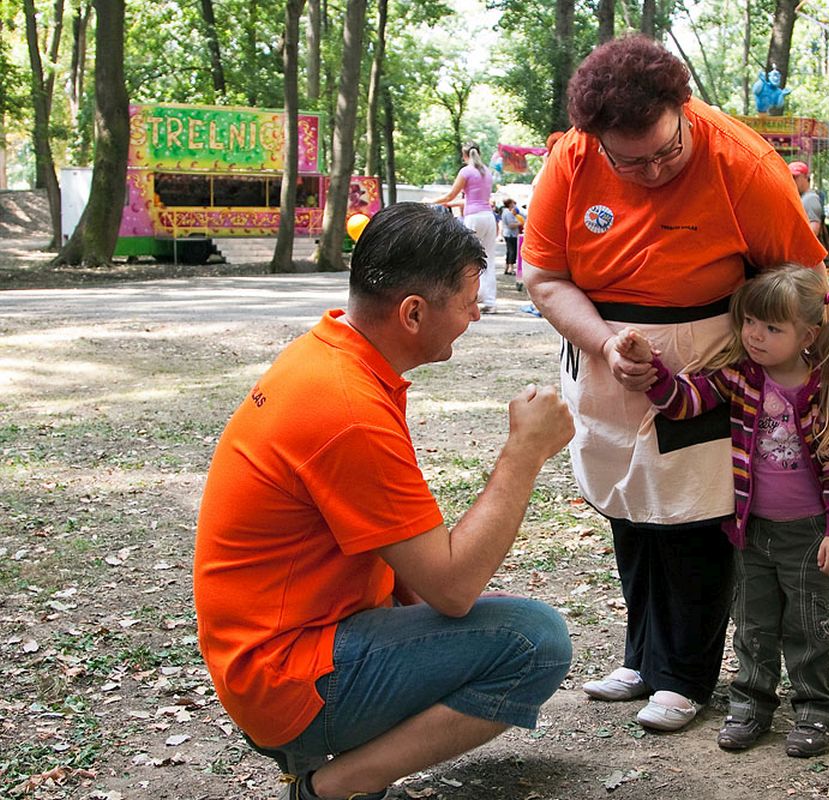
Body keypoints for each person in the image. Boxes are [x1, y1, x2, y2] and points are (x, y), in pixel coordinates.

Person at [193, 202, 575, 800]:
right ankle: (335, 786)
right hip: (286, 679)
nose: (477, 313)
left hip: (282, 651)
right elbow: (453, 587)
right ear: (413, 312)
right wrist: (524, 453)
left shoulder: (331, 355)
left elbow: (408, 560)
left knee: (490, 614)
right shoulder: (347, 408)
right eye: (468, 301)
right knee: (534, 640)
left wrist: (442, 617)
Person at [521, 35, 826, 733]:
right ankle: (643, 657)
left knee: (693, 513)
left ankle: (685, 676)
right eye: (631, 162)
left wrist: (784, 374)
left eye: (666, 151)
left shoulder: (744, 163)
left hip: (706, 362)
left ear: (683, 111)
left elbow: (803, 284)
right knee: (629, 508)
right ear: (596, 141)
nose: (654, 171)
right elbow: (544, 275)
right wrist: (604, 344)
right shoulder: (571, 159)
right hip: (601, 354)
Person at [613, 266, 829, 757]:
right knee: (752, 625)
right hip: (751, 529)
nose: (754, 335)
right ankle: (750, 705)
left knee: (810, 625)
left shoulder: (824, 389)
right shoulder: (741, 376)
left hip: (808, 534)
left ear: (808, 336)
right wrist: (652, 367)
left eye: (772, 328)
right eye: (749, 322)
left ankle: (817, 708)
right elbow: (684, 402)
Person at [429, 142, 498, 312]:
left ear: (465, 155)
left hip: (473, 217)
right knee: (489, 258)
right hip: (488, 217)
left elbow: (451, 195)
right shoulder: (487, 172)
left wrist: (430, 201)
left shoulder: (466, 172)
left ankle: (471, 298)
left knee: (468, 258)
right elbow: (475, 199)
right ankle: (489, 300)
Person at [789, 161, 829, 269]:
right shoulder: (802, 198)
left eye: (795, 177)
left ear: (805, 177)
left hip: (807, 261)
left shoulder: (810, 199)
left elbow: (813, 231)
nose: (792, 180)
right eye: (789, 177)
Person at [500, 198, 524, 275]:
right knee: (512, 251)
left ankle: (507, 267)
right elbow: (511, 225)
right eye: (513, 203)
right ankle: (511, 268)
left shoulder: (505, 212)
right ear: (510, 204)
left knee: (509, 251)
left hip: (508, 234)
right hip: (511, 234)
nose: (514, 205)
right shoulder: (508, 213)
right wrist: (520, 223)